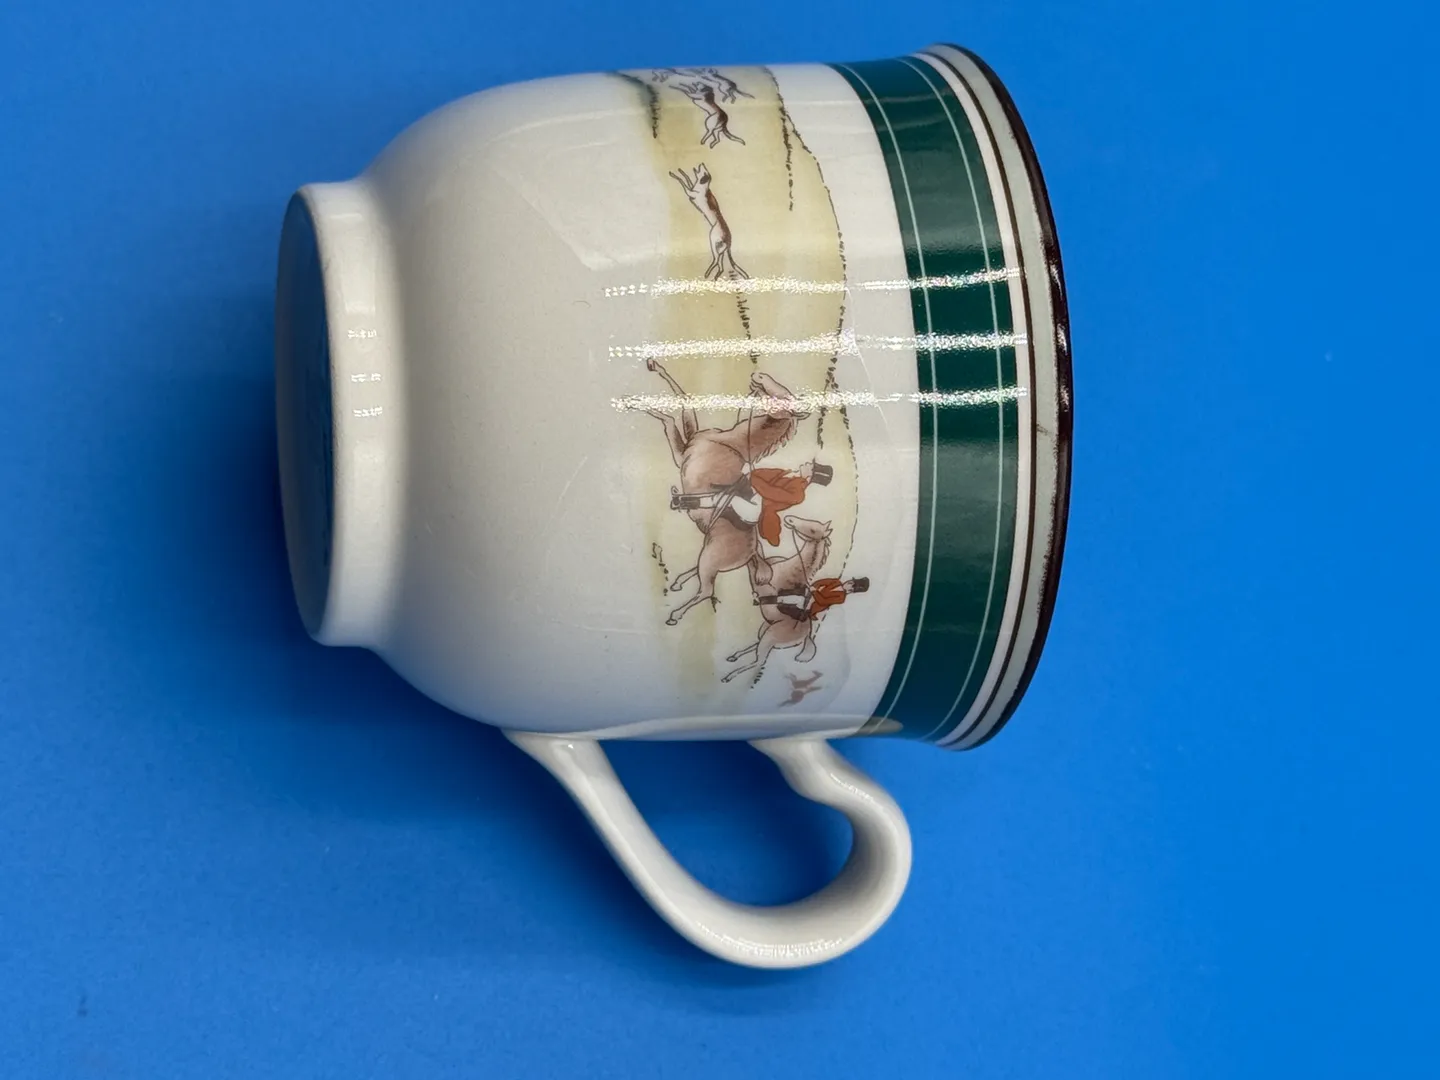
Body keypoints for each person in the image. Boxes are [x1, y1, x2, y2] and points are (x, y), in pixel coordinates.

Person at [670, 461, 833, 545]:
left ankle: (681, 502)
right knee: (726, 488)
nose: (807, 464)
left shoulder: (798, 494)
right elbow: (765, 474)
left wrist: (754, 479)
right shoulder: (791, 474)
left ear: (810, 475)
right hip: (752, 495)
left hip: (755, 510)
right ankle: (684, 498)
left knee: (728, 498)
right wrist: (751, 472)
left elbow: (770, 492)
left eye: (811, 466)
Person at [760, 576, 869, 621]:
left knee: (793, 599)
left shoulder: (841, 598)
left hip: (813, 604)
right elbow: (822, 582)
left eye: (851, 586)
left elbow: (822, 601)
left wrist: (814, 591)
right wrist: (814, 586)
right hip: (811, 592)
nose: (848, 583)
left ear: (851, 591)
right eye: (850, 582)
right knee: (794, 588)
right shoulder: (836, 581)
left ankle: (761, 601)